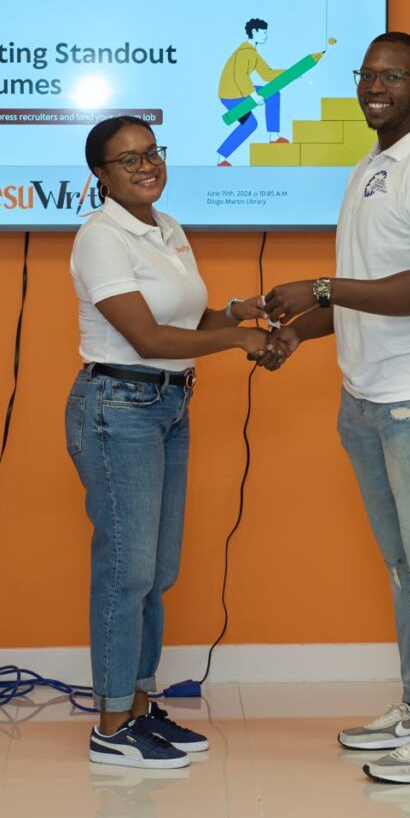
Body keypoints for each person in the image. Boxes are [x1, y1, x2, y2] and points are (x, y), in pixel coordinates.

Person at [262, 32, 410, 785]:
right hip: (367, 396)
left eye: (393, 75)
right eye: (367, 74)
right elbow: (370, 291)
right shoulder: (369, 168)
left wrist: (322, 289)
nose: (374, 86)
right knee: (404, 567)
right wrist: (297, 330)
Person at [66, 115, 284, 769]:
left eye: (151, 153)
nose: (144, 166)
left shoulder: (166, 227)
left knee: (157, 570)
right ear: (100, 175)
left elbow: (187, 322)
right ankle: (110, 728)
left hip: (167, 405)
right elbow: (149, 340)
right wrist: (236, 341)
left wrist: (235, 316)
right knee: (125, 570)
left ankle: (137, 705)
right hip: (117, 406)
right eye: (126, 160)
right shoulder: (100, 237)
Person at [216, 18, 290, 166]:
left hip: (241, 91)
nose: (266, 36)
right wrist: (254, 95)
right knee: (250, 124)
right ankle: (221, 158)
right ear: (254, 32)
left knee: (274, 93)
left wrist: (290, 73)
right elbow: (240, 76)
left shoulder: (252, 53)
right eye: (263, 32)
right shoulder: (245, 52)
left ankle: (273, 136)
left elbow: (267, 73)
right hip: (231, 95)